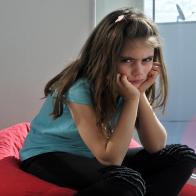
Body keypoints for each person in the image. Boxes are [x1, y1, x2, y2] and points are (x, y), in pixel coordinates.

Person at [20, 8, 196, 196]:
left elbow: (156, 146)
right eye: (127, 60)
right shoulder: (79, 88)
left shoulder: (129, 85)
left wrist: (139, 94)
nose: (139, 71)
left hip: (91, 157)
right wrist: (131, 99)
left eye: (147, 60)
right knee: (125, 182)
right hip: (48, 155)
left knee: (183, 156)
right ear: (105, 58)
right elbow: (109, 158)